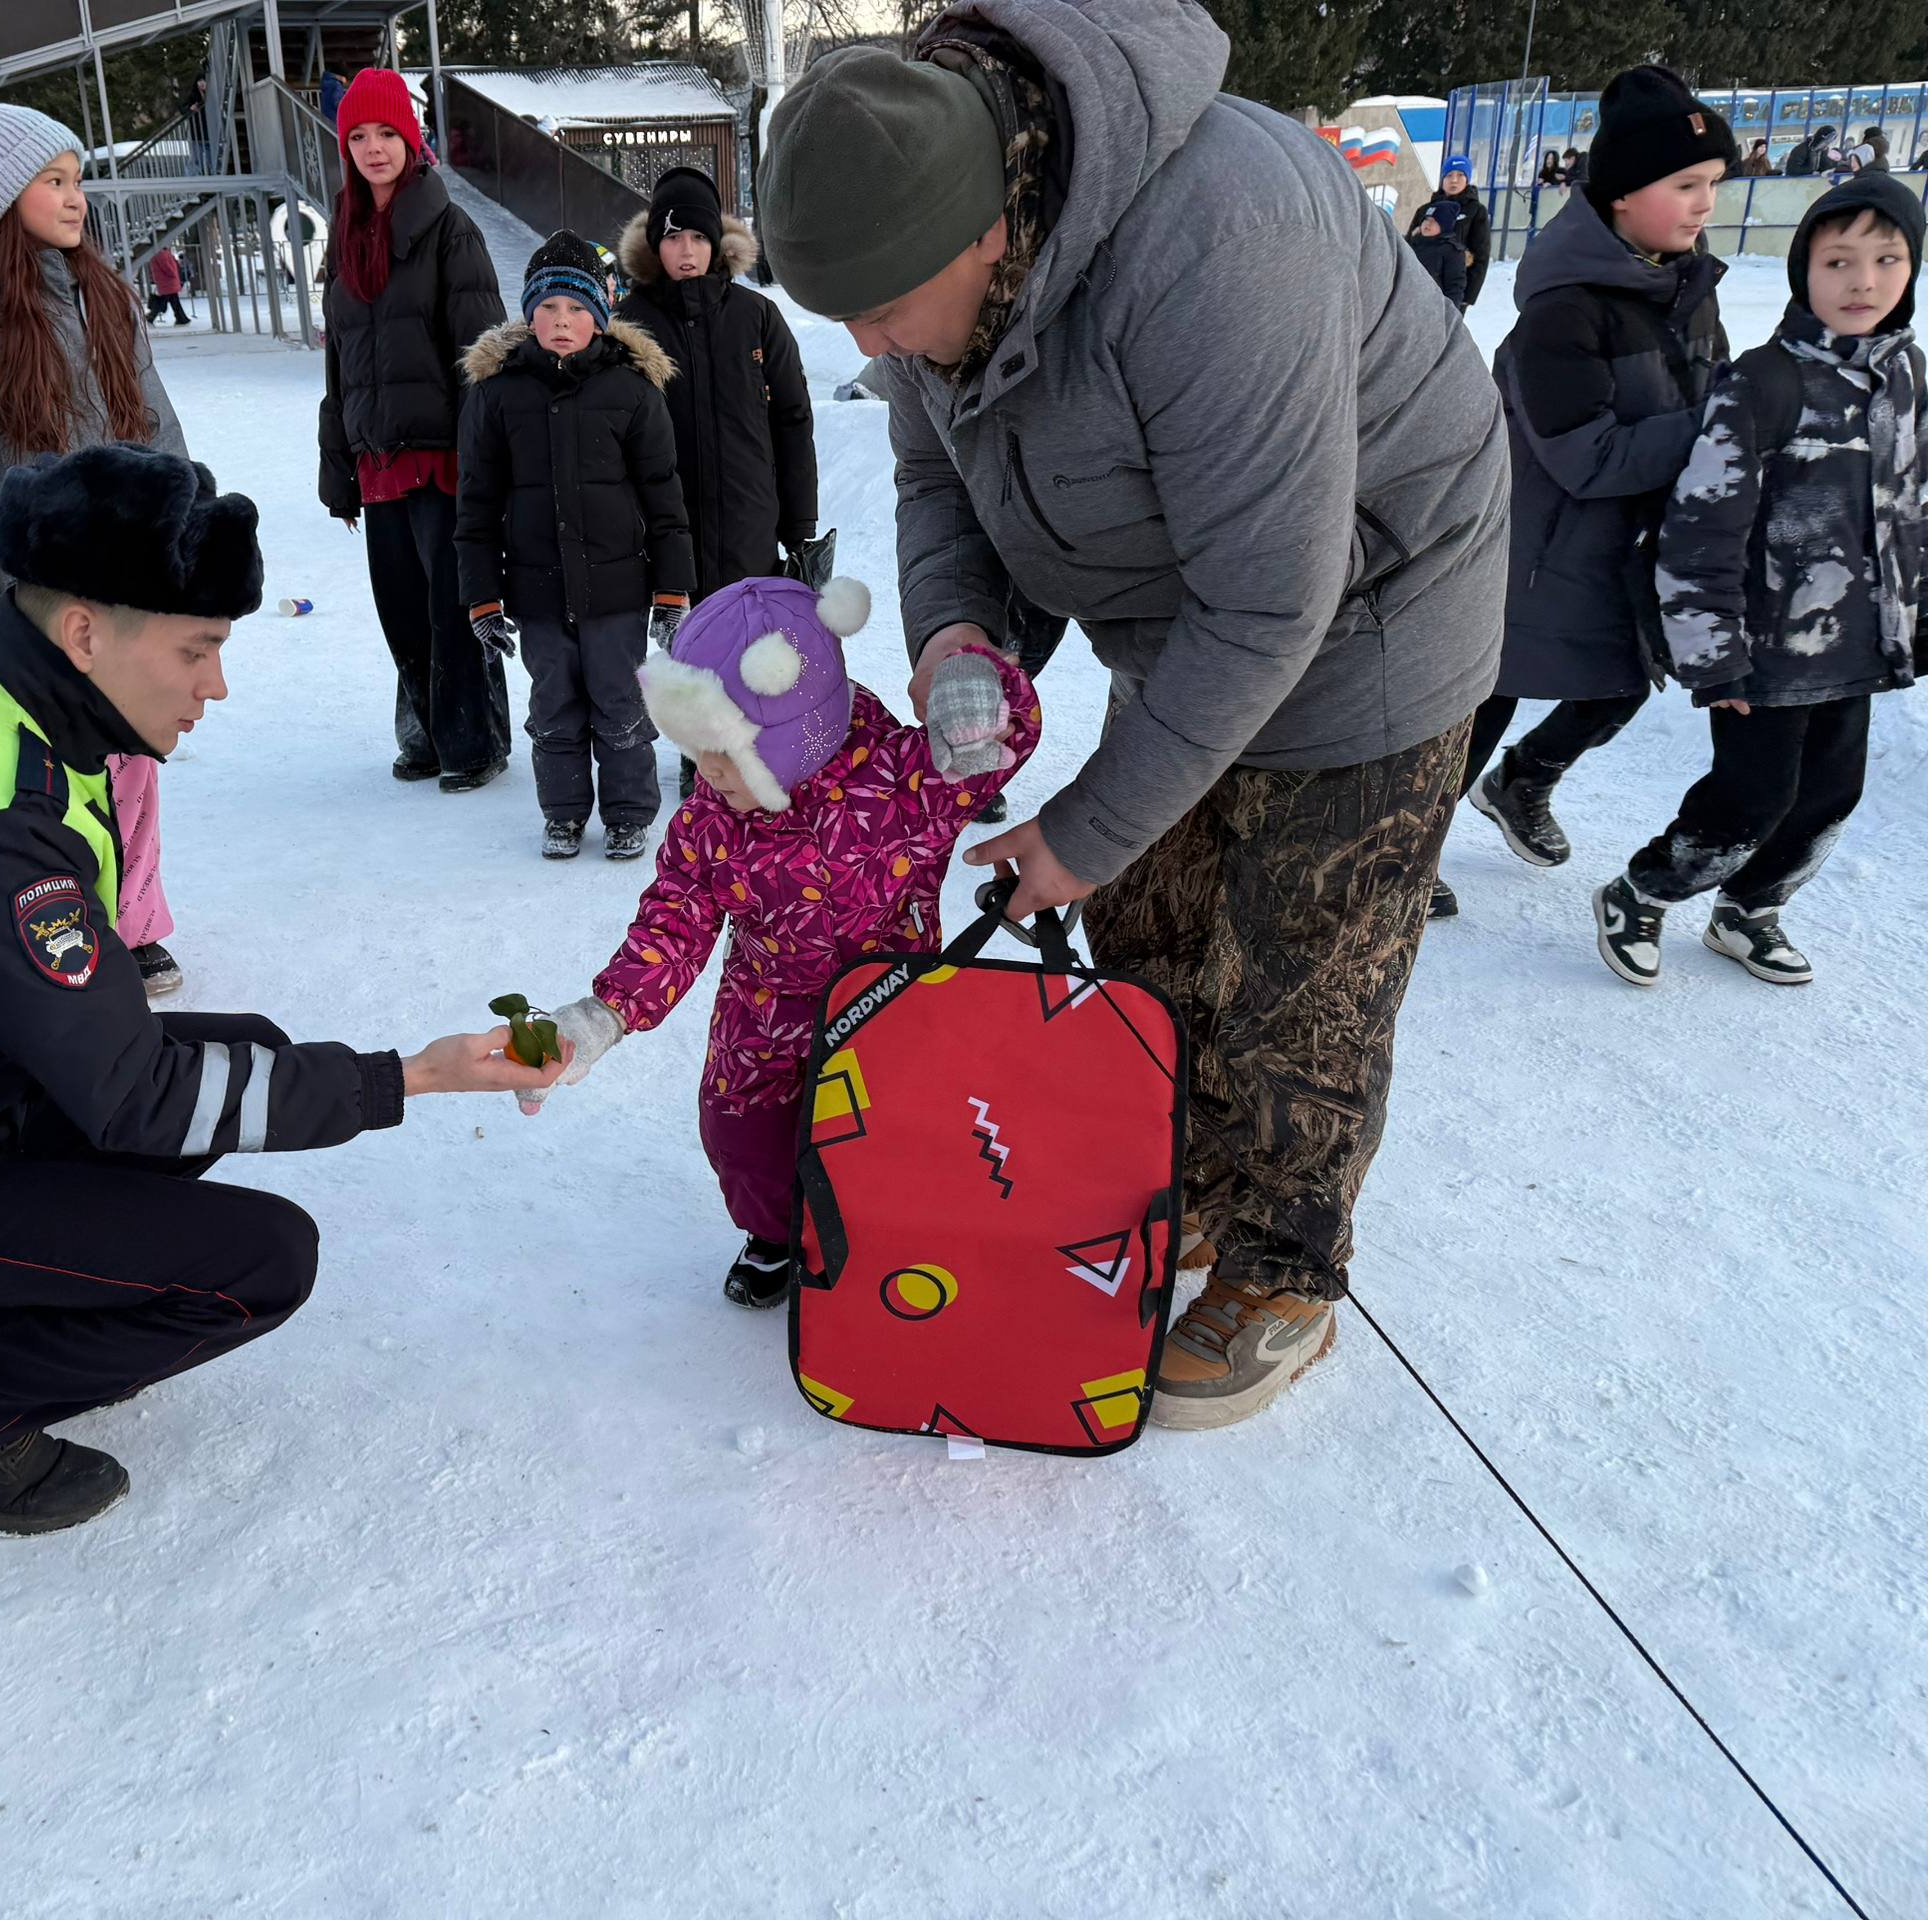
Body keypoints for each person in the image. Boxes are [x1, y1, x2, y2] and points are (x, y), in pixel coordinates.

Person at [756, 0, 1509, 1429]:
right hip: (1185, 613)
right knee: (1156, 921)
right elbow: (938, 486)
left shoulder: (1225, 241)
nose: (871, 344)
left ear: (986, 229)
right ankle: (1192, 1184)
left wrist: (1085, 828)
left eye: (882, 309)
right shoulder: (932, 276)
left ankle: (1284, 1268)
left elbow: (1272, 607)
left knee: (1303, 960)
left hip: (1373, 612)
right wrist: (960, 630)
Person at [0, 444, 563, 1535]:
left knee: (240, 1041)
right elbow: (132, 1095)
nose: (216, 684)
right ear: (84, 632)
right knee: (259, 1259)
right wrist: (414, 1077)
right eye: (197, 649)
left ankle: (23, 1299)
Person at [520, 576, 1039, 1306]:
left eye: (723, 753)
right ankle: (776, 1234)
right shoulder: (712, 818)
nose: (707, 773)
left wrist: (981, 693)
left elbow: (1001, 741)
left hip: (890, 1001)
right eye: (698, 753)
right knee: (740, 1135)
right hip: (763, 1007)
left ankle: (879, 1236)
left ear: (798, 737)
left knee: (888, 1132)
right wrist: (605, 1014)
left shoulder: (902, 781)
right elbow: (676, 913)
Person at [1593, 174, 1921, 988]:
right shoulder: (1763, 383)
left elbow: (1911, 510)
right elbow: (1701, 527)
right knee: (1751, 800)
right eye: (1839, 261)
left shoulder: (1908, 375)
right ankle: (1643, 890)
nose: (1864, 282)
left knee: (1827, 801)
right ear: (1803, 270)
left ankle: (1749, 909)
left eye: (1888, 260)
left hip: (1859, 646)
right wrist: (1711, 654)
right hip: (1764, 652)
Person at [0, 99, 192, 996]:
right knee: (47, 764)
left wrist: (187, 540)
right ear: (4, 196)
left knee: (131, 754)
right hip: (29, 589)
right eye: (54, 181)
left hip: (123, 574)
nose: (77, 199)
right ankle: (66, 912)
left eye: (77, 179)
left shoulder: (101, 288)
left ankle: (137, 921)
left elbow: (156, 427)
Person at [1452, 68, 1735, 910]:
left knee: (1621, 682)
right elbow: (1590, 458)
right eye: (1685, 184)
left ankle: (1523, 782)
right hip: (1534, 553)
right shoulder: (1562, 313)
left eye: (1714, 185)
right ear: (1618, 196)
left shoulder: (1685, 290)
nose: (1705, 203)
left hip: (1634, 547)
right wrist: (1722, 428)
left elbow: (1702, 392)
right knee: (1487, 698)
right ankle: (1403, 847)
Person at [456, 231, 693, 861]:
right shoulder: (497, 395)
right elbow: (475, 505)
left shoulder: (634, 392)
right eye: (549, 309)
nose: (563, 323)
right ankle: (562, 814)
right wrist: (481, 596)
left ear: (601, 314)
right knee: (553, 703)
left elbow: (665, 499)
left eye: (578, 309)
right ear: (528, 314)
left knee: (619, 703)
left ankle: (628, 812)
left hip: (617, 590)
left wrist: (672, 589)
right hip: (536, 589)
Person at [317, 69, 513, 791]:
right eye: (358, 136)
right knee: (400, 611)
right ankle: (428, 734)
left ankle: (475, 742)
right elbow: (340, 364)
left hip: (442, 458)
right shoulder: (345, 232)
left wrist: (483, 461)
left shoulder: (447, 229)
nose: (373, 149)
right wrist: (337, 462)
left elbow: (482, 356)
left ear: (411, 139)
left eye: (386, 134)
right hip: (376, 458)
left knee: (454, 608)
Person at [614, 164, 823, 797]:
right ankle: (697, 754)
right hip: (668, 517)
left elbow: (792, 417)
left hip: (747, 514)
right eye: (673, 239)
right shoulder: (629, 322)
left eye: (697, 238)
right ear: (656, 245)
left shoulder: (756, 317)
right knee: (685, 639)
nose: (686, 251)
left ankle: (753, 746)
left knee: (744, 638)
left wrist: (799, 521)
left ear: (717, 243)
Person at [1434, 155, 1494, 306]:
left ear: (1467, 179)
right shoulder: (1429, 209)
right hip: (1426, 284)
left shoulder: (1476, 211)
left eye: (1460, 175)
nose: (1454, 180)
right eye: (1449, 175)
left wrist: (1469, 295)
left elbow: (1481, 254)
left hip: (1455, 289)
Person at [1406, 196, 1471, 310]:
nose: (1428, 224)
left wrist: (1449, 314)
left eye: (1434, 221)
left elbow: (1455, 287)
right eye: (1426, 219)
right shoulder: (1411, 244)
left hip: (1432, 309)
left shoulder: (1452, 251)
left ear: (1445, 226)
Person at [147, 244, 190, 325]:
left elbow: (166, 266)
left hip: (166, 281)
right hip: (168, 280)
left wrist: (172, 274)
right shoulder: (163, 253)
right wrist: (173, 274)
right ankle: (182, 319)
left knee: (166, 300)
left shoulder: (159, 253)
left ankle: (151, 318)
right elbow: (167, 266)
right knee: (172, 301)